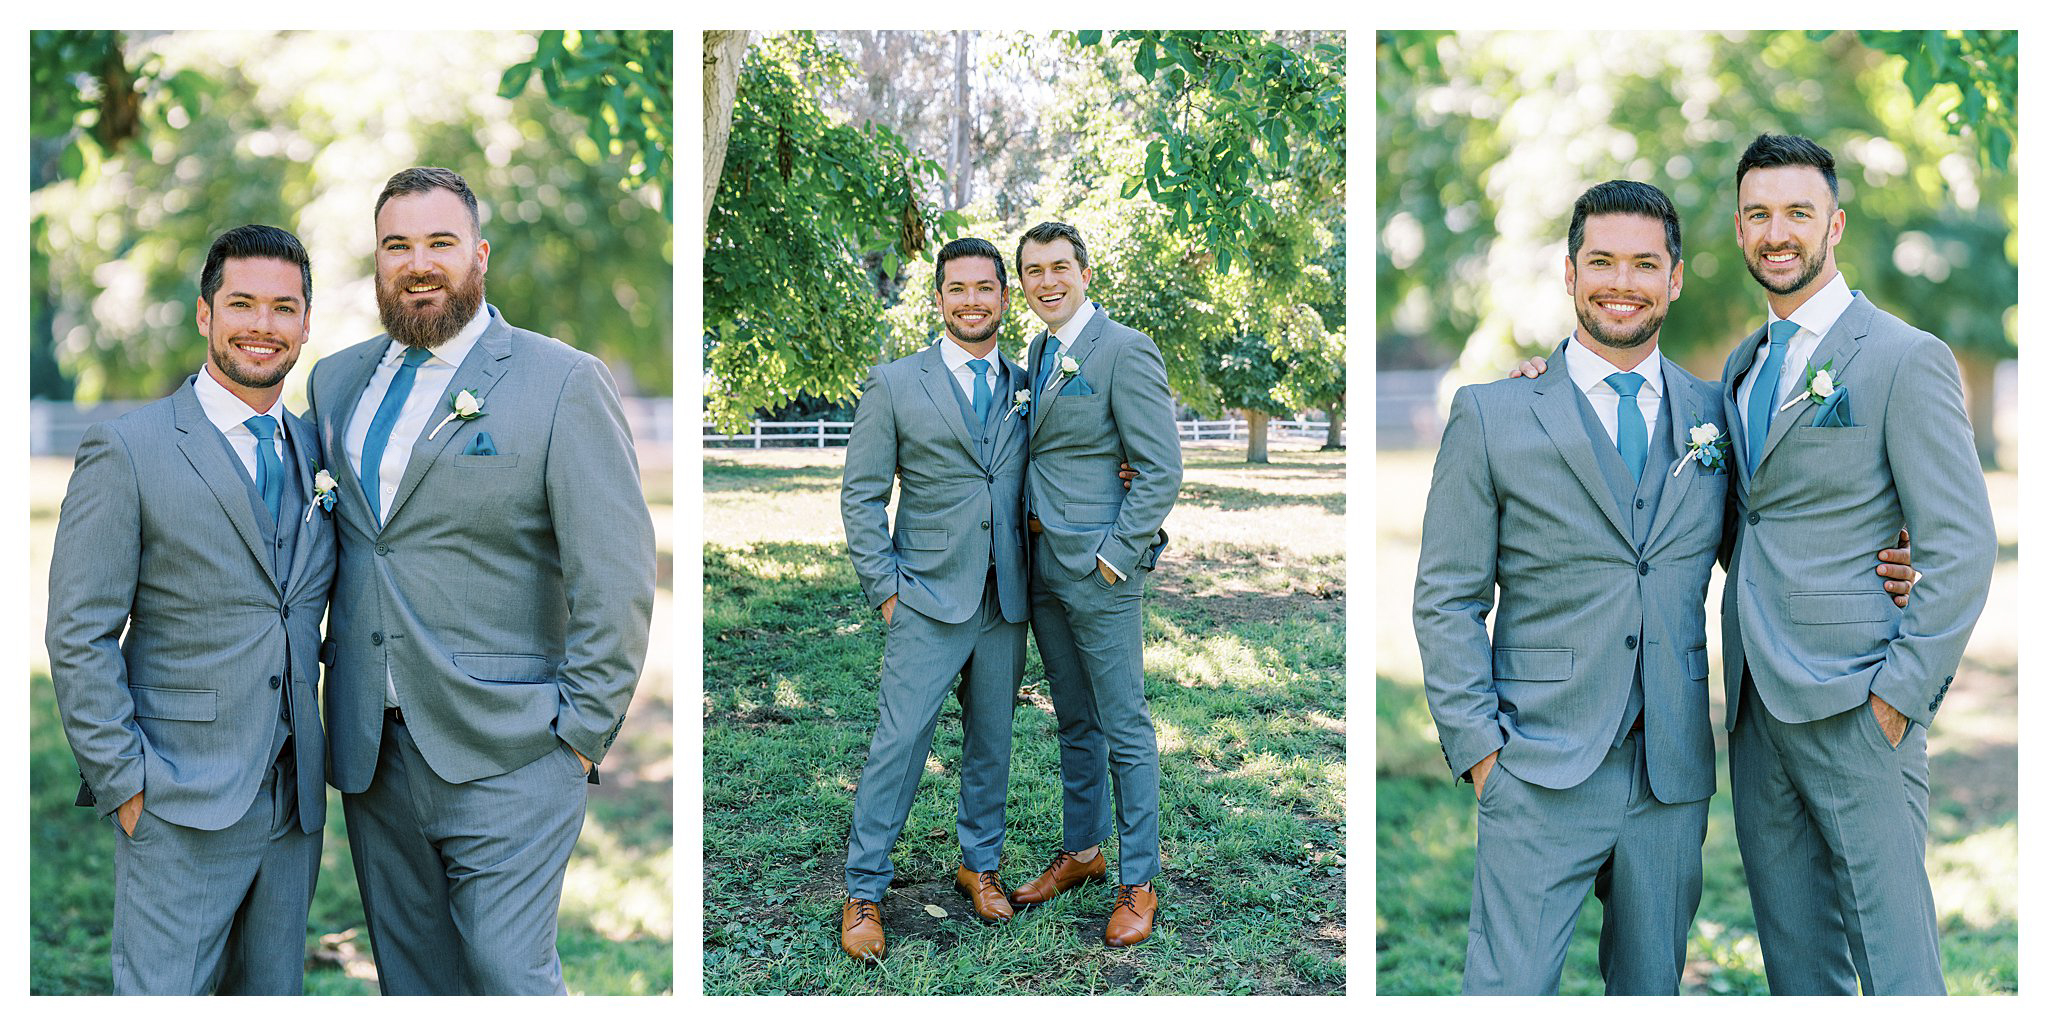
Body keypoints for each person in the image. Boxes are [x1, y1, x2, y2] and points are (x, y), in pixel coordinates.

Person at [306, 166, 656, 994]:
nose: (418, 262)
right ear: (378, 260)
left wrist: (579, 735)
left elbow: (617, 572)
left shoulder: (561, 381)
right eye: (398, 245)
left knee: (508, 977)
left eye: (440, 242)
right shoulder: (335, 383)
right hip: (372, 754)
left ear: (480, 255)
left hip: (513, 749)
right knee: (414, 983)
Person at [1415, 181, 1727, 993]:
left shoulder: (1716, 415)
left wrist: (1892, 556)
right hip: (1534, 763)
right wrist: (1481, 750)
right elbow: (1447, 597)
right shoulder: (1493, 414)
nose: (1621, 281)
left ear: (1676, 278)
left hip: (1671, 773)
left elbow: (1772, 545)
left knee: (1650, 991)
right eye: (1602, 262)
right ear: (1568, 272)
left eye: (1644, 264)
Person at [1716, 133, 1995, 995]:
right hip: (1756, 711)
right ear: (1737, 229)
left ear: (1834, 224)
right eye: (1759, 213)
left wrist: (1897, 698)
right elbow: (1746, 522)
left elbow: (1962, 543)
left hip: (1858, 705)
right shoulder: (1743, 364)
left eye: (1799, 212)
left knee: (1898, 969)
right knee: (1798, 969)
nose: (1778, 232)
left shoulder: (1905, 357)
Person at [47, 224, 333, 994]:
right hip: (174, 798)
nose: (262, 326)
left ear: (307, 323)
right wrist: (127, 785)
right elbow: (79, 634)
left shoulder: (316, 449)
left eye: (283, 307)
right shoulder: (129, 448)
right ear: (204, 314)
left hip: (293, 803)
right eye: (241, 303)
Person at [837, 237, 1031, 960]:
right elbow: (861, 496)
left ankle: (979, 866)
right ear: (939, 297)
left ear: (1004, 298)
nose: (972, 301)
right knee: (898, 745)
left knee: (993, 743)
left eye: (986, 288)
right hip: (922, 595)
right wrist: (886, 591)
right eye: (958, 289)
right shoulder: (894, 383)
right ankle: (864, 890)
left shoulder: (1030, 379)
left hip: (1005, 597)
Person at [1008, 221, 1182, 947]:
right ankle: (1083, 852)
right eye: (1033, 272)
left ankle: (1137, 882)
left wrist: (1115, 554)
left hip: (1100, 572)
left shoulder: (1124, 349)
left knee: (1125, 726)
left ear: (1085, 273)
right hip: (1041, 564)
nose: (1046, 282)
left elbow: (1162, 468)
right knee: (1073, 720)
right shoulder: (1040, 349)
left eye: (1058, 268)